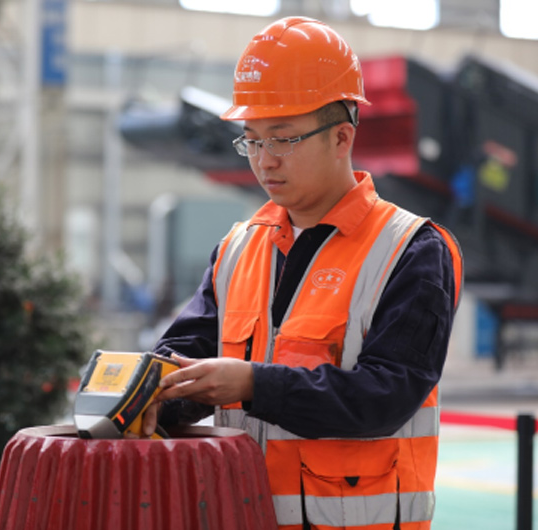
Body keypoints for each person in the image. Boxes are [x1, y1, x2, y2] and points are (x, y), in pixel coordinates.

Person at [143, 16, 463, 530]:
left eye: (283, 139)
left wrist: (253, 384)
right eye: (252, 140)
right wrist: (146, 391)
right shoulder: (238, 249)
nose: (264, 161)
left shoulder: (411, 251)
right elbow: (183, 357)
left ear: (341, 137)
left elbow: (386, 395)